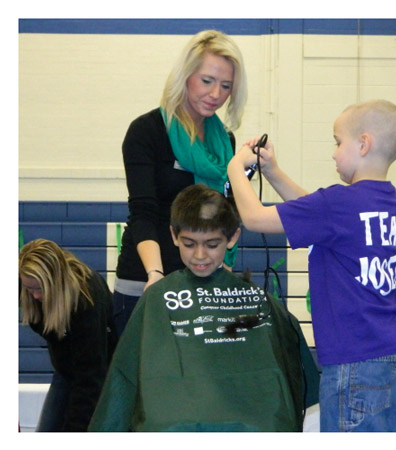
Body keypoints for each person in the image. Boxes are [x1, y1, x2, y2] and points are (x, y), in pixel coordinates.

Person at [227, 99, 396, 432]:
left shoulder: (340, 203)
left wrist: (234, 169)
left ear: (363, 143)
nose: (333, 152)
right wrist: (272, 172)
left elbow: (254, 217)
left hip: (355, 361)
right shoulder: (389, 202)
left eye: (338, 141)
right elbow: (314, 213)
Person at [89, 184, 319, 431]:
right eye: (189, 244)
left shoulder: (260, 301)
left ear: (232, 238)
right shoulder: (156, 298)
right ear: (174, 236)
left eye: (211, 244)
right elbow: (123, 379)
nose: (200, 255)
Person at [113, 29, 247, 336]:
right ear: (185, 76)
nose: (216, 94)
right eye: (207, 81)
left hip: (203, 283)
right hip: (147, 281)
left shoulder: (224, 142)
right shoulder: (147, 131)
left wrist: (223, 272)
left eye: (226, 86)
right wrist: (155, 275)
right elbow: (143, 213)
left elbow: (226, 218)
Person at [19, 239, 118, 431]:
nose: (35, 296)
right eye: (29, 289)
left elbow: (90, 377)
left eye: (39, 289)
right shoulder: (26, 280)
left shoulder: (85, 300)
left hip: (96, 372)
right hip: (65, 369)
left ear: (55, 281)